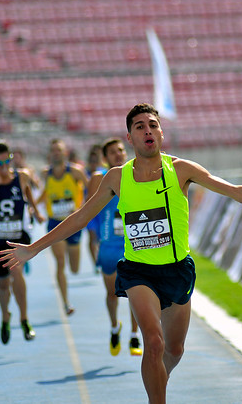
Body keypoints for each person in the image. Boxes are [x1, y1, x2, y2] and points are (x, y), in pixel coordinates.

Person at [0, 103, 242, 403]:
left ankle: (157, 383)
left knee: (174, 350)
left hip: (177, 271)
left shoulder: (182, 170)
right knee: (155, 343)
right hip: (138, 272)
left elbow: (237, 192)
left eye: (152, 125)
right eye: (139, 126)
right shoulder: (117, 178)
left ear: (161, 133)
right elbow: (80, 218)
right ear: (129, 138)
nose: (148, 130)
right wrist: (34, 248)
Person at [0, 139, 42, 344]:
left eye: (8, 162)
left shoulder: (21, 177)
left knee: (17, 272)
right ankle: (6, 316)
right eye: (0, 164)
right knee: (3, 285)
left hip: (18, 237)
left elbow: (28, 195)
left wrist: (36, 213)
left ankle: (24, 318)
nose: (5, 168)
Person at [87, 138, 142, 357]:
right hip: (109, 245)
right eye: (112, 152)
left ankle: (134, 335)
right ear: (105, 157)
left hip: (133, 245)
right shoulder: (99, 179)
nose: (118, 154)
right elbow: (89, 211)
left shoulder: (136, 174)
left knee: (135, 293)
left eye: (120, 150)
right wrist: (94, 239)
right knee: (112, 293)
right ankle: (113, 327)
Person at [35, 139, 88, 315]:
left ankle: (66, 297)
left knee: (74, 267)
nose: (56, 153)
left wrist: (84, 209)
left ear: (65, 153)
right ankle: (65, 303)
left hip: (74, 222)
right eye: (53, 150)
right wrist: (34, 207)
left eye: (59, 150)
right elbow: (46, 193)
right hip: (55, 222)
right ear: (50, 154)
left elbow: (92, 190)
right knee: (60, 263)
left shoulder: (75, 172)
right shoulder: (45, 173)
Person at [85, 144, 108, 272]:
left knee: (102, 237)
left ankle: (102, 257)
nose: (94, 163)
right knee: (92, 237)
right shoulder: (85, 173)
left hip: (102, 212)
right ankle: (95, 262)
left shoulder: (104, 172)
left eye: (96, 160)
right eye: (92, 161)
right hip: (90, 211)